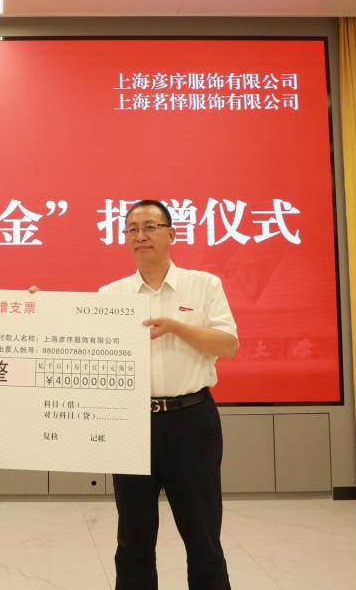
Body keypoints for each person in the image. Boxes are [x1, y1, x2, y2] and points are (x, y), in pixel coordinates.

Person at [100, 199, 239, 590]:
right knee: (133, 540)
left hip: (191, 421)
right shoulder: (111, 294)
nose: (140, 236)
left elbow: (228, 344)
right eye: (132, 229)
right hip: (131, 423)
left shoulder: (204, 285)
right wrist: (39, 308)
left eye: (150, 227)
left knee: (202, 535)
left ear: (171, 234)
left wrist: (177, 327)